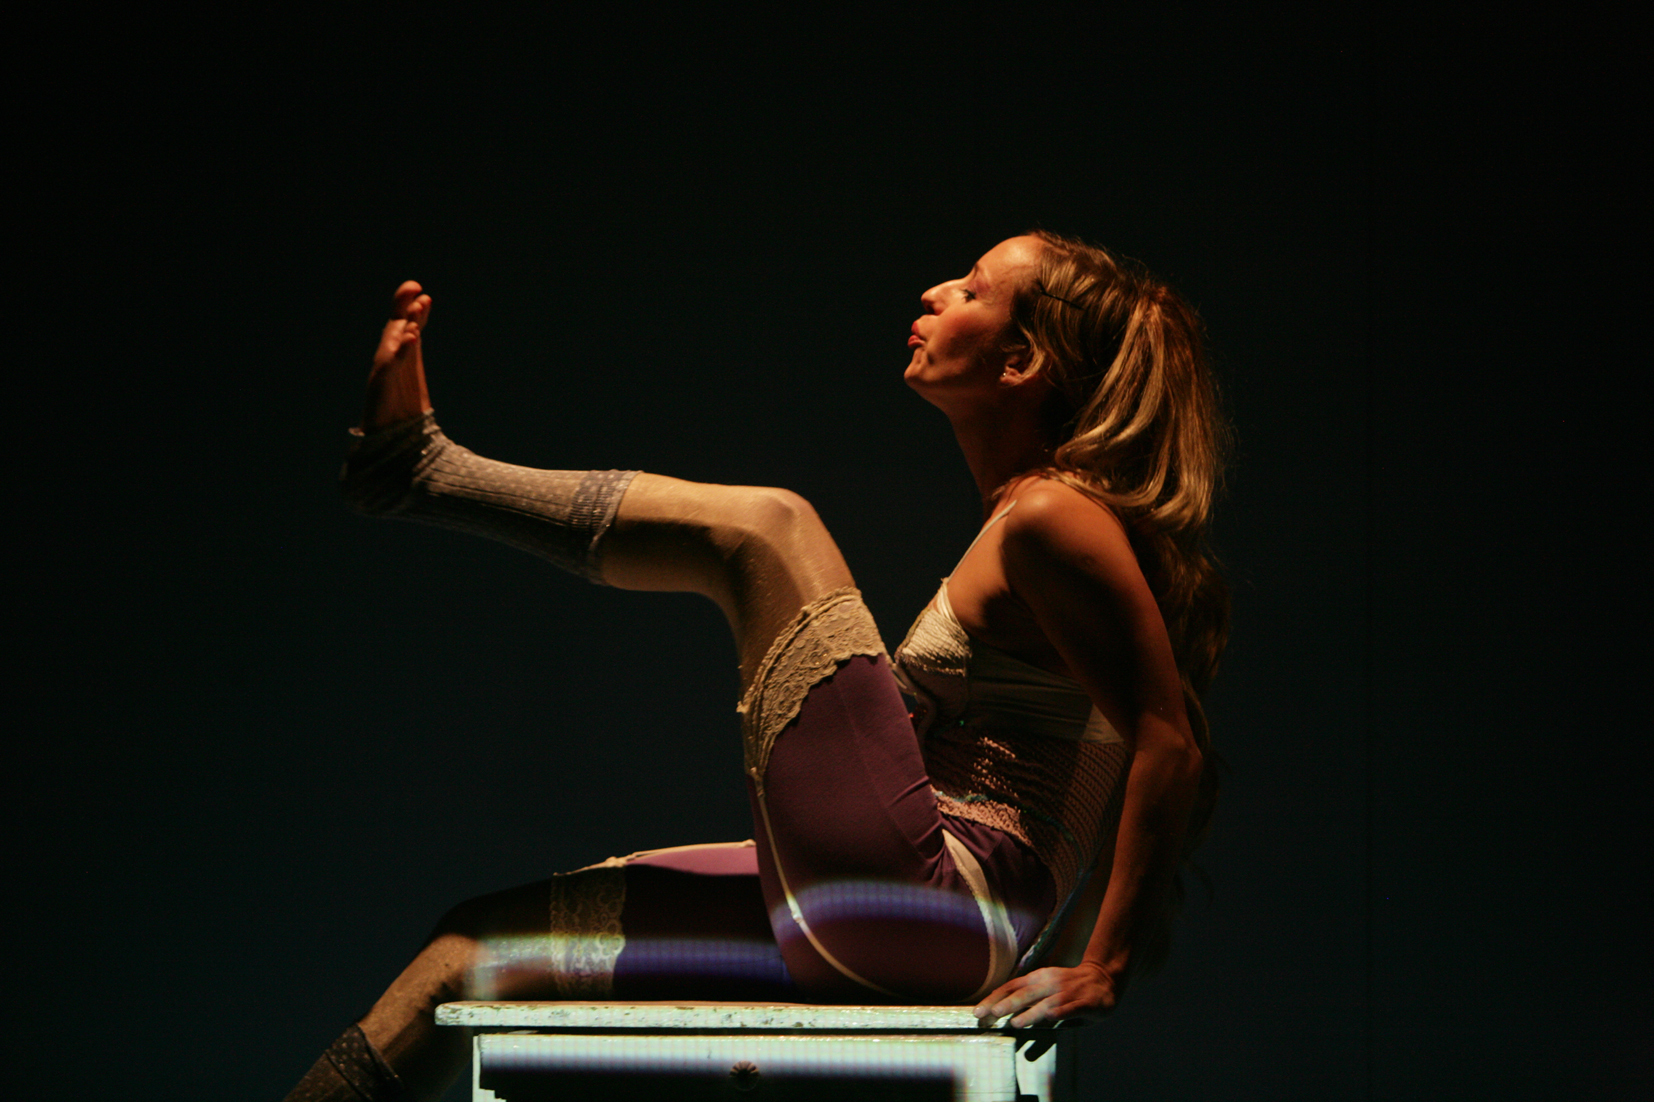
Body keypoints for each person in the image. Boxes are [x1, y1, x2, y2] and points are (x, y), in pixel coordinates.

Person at [285, 232, 1229, 1101]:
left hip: (934, 907)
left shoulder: (1053, 517)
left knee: (770, 532)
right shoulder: (1029, 522)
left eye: (973, 290)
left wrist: (1099, 966)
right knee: (475, 948)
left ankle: (420, 472)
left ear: (1020, 362)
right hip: (912, 920)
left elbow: (1171, 744)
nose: (935, 292)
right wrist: (1052, 941)